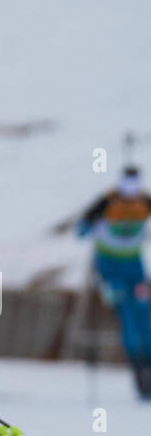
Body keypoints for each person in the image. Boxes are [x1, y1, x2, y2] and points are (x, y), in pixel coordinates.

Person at [76, 165, 151, 398]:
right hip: (113, 270)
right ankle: (140, 372)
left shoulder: (138, 201)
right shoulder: (109, 201)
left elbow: (81, 230)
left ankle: (145, 369)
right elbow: (82, 228)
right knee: (130, 317)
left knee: (142, 318)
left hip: (131, 269)